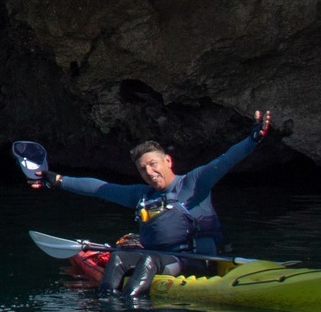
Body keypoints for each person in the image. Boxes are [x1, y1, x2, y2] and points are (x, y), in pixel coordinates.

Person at [32, 111, 273, 295]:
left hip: (197, 263)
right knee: (117, 257)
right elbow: (99, 188)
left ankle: (133, 310)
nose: (149, 171)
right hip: (158, 260)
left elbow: (226, 160)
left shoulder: (193, 183)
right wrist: (59, 180)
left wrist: (253, 139)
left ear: (168, 161)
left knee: (149, 260)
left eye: (153, 164)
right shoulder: (142, 195)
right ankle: (107, 308)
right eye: (143, 168)